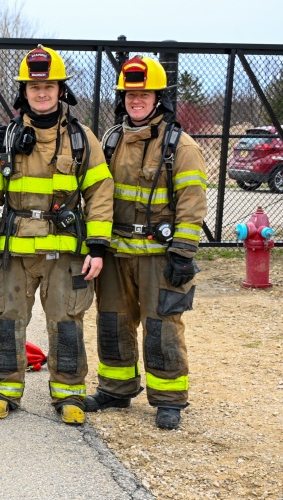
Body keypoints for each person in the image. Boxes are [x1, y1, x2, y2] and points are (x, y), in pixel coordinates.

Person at [0, 45, 114, 424]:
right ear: (24, 91)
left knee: (66, 322)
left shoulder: (82, 139)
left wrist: (98, 246)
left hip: (65, 253)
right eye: (34, 86)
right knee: (7, 318)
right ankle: (4, 390)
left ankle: (68, 394)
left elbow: (100, 193)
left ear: (60, 89)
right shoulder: (4, 140)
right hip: (14, 252)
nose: (41, 92)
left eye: (48, 85)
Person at [84, 56, 207, 430]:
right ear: (123, 99)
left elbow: (192, 203)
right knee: (113, 322)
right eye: (130, 94)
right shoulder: (110, 141)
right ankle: (116, 389)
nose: (137, 100)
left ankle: (169, 399)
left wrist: (183, 253)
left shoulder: (181, 147)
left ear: (159, 98)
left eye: (144, 94)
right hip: (117, 253)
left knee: (162, 326)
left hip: (159, 256)